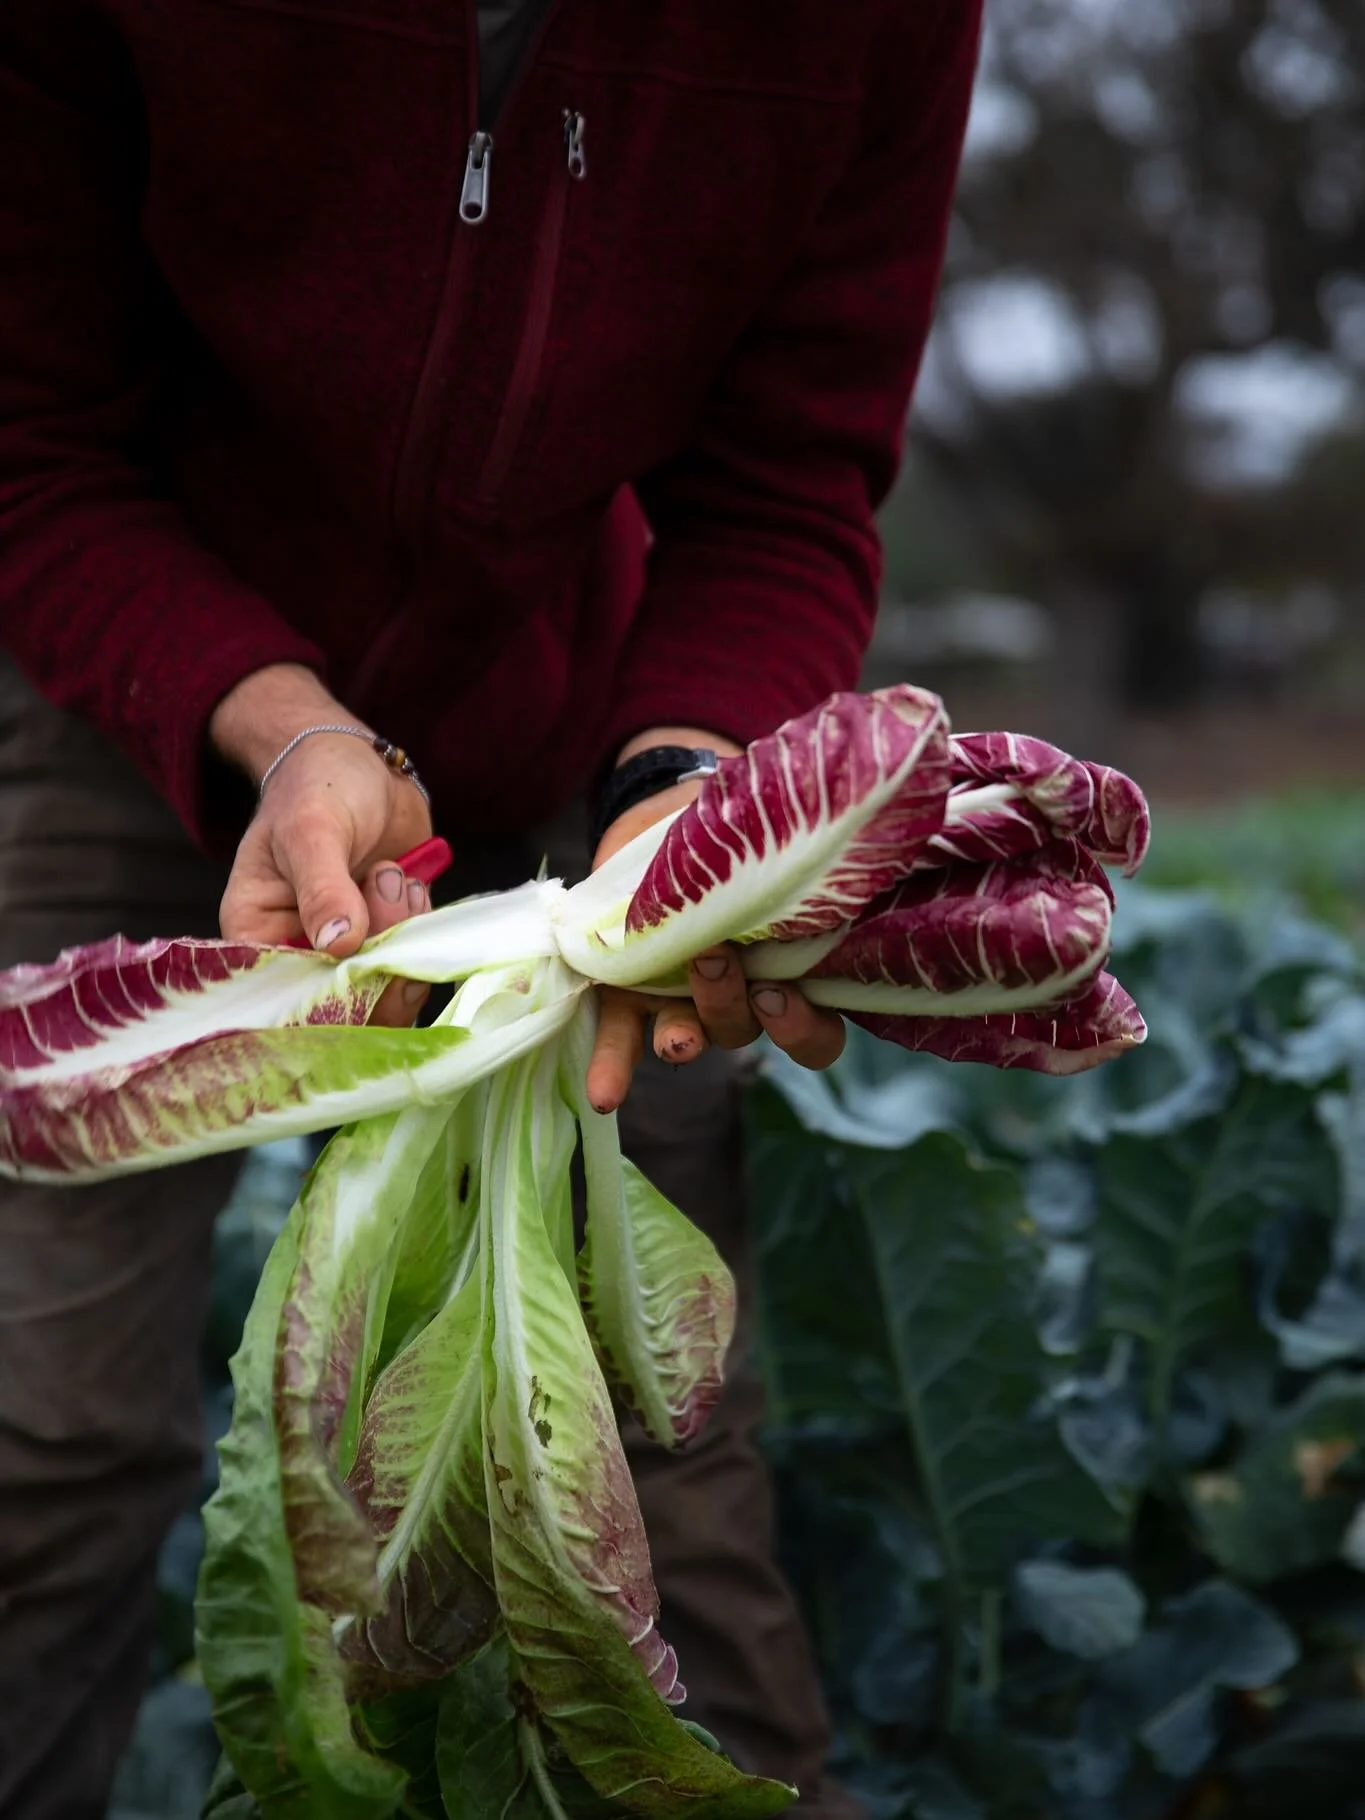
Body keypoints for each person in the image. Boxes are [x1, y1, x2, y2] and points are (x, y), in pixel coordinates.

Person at [0, 2, 981, 1814]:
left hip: (586, 714)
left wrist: (682, 796)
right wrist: (289, 730)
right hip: (135, 693)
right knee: (36, 1425)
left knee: (638, 1443)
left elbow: (784, 481)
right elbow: (31, 441)